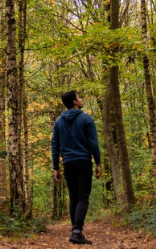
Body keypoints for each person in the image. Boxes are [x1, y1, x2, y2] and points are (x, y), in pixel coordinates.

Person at [51, 90, 102, 245]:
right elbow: (93, 142)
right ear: (74, 102)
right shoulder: (86, 119)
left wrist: (56, 167)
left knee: (74, 197)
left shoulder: (59, 122)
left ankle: (75, 231)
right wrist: (98, 162)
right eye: (79, 97)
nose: (81, 99)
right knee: (82, 197)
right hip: (83, 161)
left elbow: (55, 145)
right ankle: (77, 231)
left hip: (68, 163)